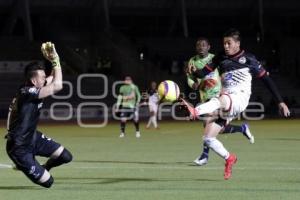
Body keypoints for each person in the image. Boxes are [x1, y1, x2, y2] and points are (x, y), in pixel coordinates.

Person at [183, 29, 290, 180]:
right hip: (228, 101)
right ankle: (229, 158)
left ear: (237, 44)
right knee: (208, 138)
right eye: (224, 43)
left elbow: (267, 80)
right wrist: (193, 72)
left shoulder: (249, 59)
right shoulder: (221, 57)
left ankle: (194, 111)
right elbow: (203, 73)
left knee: (221, 100)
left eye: (229, 43)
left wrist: (280, 101)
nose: (226, 46)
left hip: (239, 98)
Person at [5, 42, 73, 188]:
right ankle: (23, 164)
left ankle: (44, 167)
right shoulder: (26, 92)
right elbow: (57, 85)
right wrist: (55, 61)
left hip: (33, 137)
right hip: (19, 147)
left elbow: (53, 78)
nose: (45, 79)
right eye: (42, 77)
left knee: (65, 156)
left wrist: (55, 60)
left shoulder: (34, 86)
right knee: (49, 182)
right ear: (33, 80)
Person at [186, 37, 254, 166]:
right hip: (204, 95)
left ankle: (204, 156)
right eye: (198, 45)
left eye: (203, 45)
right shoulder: (192, 61)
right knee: (219, 130)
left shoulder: (215, 58)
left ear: (209, 47)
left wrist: (223, 89)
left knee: (207, 124)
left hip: (219, 95)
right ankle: (242, 129)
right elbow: (190, 78)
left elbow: (224, 74)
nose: (201, 47)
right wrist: (194, 84)